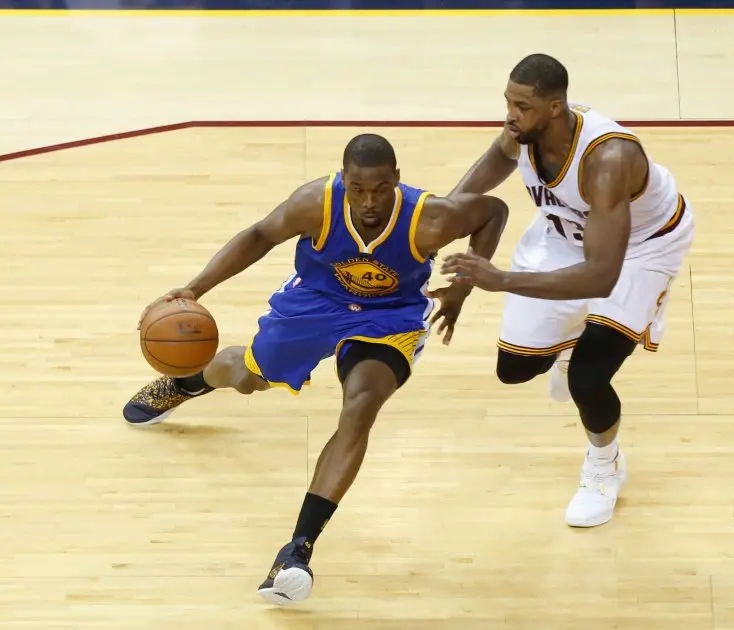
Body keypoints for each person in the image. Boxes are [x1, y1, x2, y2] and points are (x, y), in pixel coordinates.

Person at [122, 133, 509, 605]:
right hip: (314, 302)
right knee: (246, 377)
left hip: (390, 318)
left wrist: (463, 286)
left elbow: (493, 211)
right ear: (344, 181)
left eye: (382, 189)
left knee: (362, 403)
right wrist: (195, 289)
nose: (370, 201)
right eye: (360, 189)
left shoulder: (431, 218)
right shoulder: (316, 202)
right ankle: (188, 382)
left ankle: (297, 549)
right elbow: (259, 235)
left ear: (397, 182)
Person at [441, 53, 694, 529]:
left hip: (640, 248)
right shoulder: (525, 131)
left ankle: (605, 467)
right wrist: (445, 215)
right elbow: (499, 156)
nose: (510, 114)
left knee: (587, 376)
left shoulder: (609, 159)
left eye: (522, 105)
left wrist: (497, 280)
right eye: (508, 102)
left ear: (555, 107)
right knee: (513, 370)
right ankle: (572, 336)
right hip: (566, 232)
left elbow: (602, 275)